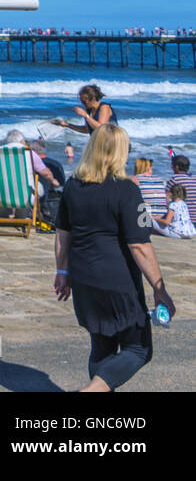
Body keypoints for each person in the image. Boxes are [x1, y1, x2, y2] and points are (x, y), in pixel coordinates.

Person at [54, 124, 175, 391]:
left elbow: (63, 232)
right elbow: (140, 246)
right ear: (120, 152)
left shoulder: (73, 186)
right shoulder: (126, 190)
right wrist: (159, 288)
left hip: (83, 277)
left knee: (102, 343)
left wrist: (62, 272)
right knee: (138, 348)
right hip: (116, 279)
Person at [131, 157, 169, 225]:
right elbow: (166, 200)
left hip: (146, 220)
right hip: (162, 218)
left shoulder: (135, 179)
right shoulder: (160, 180)